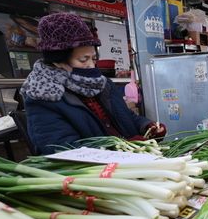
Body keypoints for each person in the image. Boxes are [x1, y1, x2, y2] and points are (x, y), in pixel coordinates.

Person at [21, 12, 166, 155]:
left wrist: (146, 126)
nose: (91, 65)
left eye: (94, 58)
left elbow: (126, 117)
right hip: (100, 172)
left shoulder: (102, 84)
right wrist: (122, 149)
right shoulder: (44, 96)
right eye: (83, 60)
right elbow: (60, 148)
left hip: (134, 159)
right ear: (57, 61)